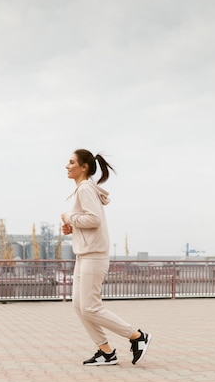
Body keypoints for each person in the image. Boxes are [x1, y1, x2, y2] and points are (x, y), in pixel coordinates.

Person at [61, 149, 151, 366]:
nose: (66, 166)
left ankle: (137, 337)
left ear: (84, 167)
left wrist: (69, 217)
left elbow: (94, 220)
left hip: (94, 256)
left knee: (90, 307)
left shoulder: (84, 189)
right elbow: (90, 221)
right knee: (79, 305)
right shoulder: (85, 189)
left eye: (71, 162)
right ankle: (106, 352)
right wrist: (72, 226)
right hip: (85, 255)